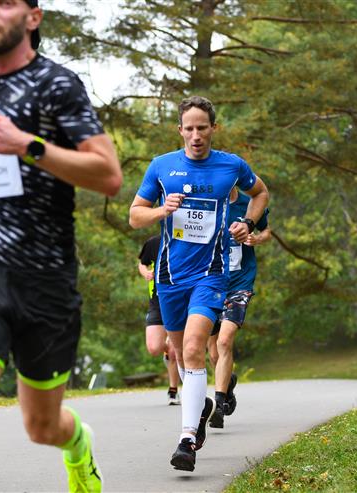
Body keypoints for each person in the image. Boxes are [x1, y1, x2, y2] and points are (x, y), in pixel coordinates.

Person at [0, 1, 122, 492]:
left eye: (4, 3)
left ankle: (78, 444)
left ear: (33, 18)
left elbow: (108, 175)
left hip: (45, 276)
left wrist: (27, 145)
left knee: (42, 426)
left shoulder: (57, 84)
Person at [129, 95, 269, 472]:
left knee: (194, 347)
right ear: (180, 130)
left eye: (202, 128)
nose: (196, 135)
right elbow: (135, 216)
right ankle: (199, 405)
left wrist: (248, 223)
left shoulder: (231, 165)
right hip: (170, 277)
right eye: (189, 128)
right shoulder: (162, 166)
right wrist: (163, 210)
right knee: (180, 354)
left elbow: (260, 193)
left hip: (211, 274)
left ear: (213, 129)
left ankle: (187, 439)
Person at [206, 186, 270, 428]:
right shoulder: (207, 204)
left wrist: (256, 238)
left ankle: (218, 405)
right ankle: (227, 385)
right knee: (213, 352)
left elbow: (267, 231)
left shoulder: (249, 204)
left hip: (239, 284)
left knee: (224, 341)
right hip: (211, 284)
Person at [138, 235, 180, 405]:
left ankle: (173, 390)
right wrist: (146, 273)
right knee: (154, 348)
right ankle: (167, 349)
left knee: (174, 351)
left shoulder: (185, 240)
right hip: (157, 302)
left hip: (179, 302)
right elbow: (142, 263)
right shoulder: (154, 242)